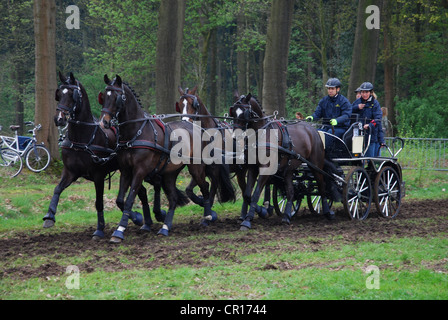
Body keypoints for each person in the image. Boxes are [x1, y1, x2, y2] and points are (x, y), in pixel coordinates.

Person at [306, 78, 352, 146]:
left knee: (329, 133)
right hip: (326, 127)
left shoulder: (344, 101)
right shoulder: (324, 100)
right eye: (329, 88)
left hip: (340, 128)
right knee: (315, 132)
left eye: (332, 89)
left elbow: (346, 115)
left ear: (338, 89)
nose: (330, 91)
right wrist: (312, 117)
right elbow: (318, 113)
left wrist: (337, 121)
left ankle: (325, 153)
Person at [351, 82, 385, 157]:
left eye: (366, 92)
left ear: (371, 92)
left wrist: (370, 125)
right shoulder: (357, 102)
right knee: (357, 157)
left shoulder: (375, 104)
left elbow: (378, 119)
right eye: (363, 92)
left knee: (371, 158)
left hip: (371, 135)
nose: (364, 94)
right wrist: (357, 107)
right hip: (358, 134)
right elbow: (348, 111)